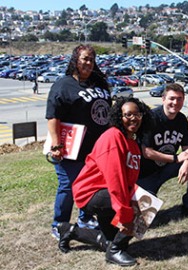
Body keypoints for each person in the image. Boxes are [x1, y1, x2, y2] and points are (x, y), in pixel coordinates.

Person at [57, 97, 153, 266]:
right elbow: (116, 180)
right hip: (92, 193)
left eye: (137, 114)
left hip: (105, 192)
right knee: (145, 204)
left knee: (109, 240)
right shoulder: (113, 138)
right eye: (127, 114)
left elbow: (127, 180)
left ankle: (70, 231)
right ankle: (115, 252)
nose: (133, 118)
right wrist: (125, 214)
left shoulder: (132, 141)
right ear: (118, 116)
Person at [45, 44, 112, 240]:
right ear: (75, 60)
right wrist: (56, 145)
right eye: (85, 58)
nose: (89, 63)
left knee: (92, 186)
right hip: (71, 148)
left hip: (96, 149)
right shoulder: (63, 85)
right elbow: (53, 117)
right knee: (68, 186)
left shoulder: (98, 83)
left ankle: (85, 218)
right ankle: (59, 224)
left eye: (91, 59)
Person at [137, 83, 188, 217]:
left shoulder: (182, 119)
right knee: (141, 220)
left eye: (179, 99)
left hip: (168, 167)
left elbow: (186, 148)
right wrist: (176, 158)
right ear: (163, 99)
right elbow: (146, 152)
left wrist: (187, 162)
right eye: (171, 98)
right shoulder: (151, 118)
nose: (175, 102)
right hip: (146, 173)